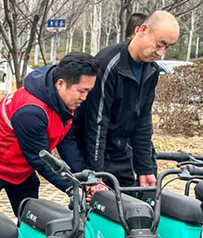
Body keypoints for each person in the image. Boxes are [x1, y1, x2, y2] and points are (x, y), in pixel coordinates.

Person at [0, 52, 99, 216]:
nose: (84, 98)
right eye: (81, 91)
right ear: (60, 83)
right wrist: (71, 187)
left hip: (20, 165)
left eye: (88, 91)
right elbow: (40, 158)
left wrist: (84, 179)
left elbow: (65, 140)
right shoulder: (31, 111)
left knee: (31, 215)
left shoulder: (62, 99)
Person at [75, 11, 180, 187]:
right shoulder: (108, 64)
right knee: (101, 202)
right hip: (96, 153)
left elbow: (143, 120)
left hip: (124, 151)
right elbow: (97, 122)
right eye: (159, 44)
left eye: (167, 47)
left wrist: (145, 169)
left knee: (138, 200)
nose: (161, 52)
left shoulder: (151, 70)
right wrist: (96, 173)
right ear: (142, 30)